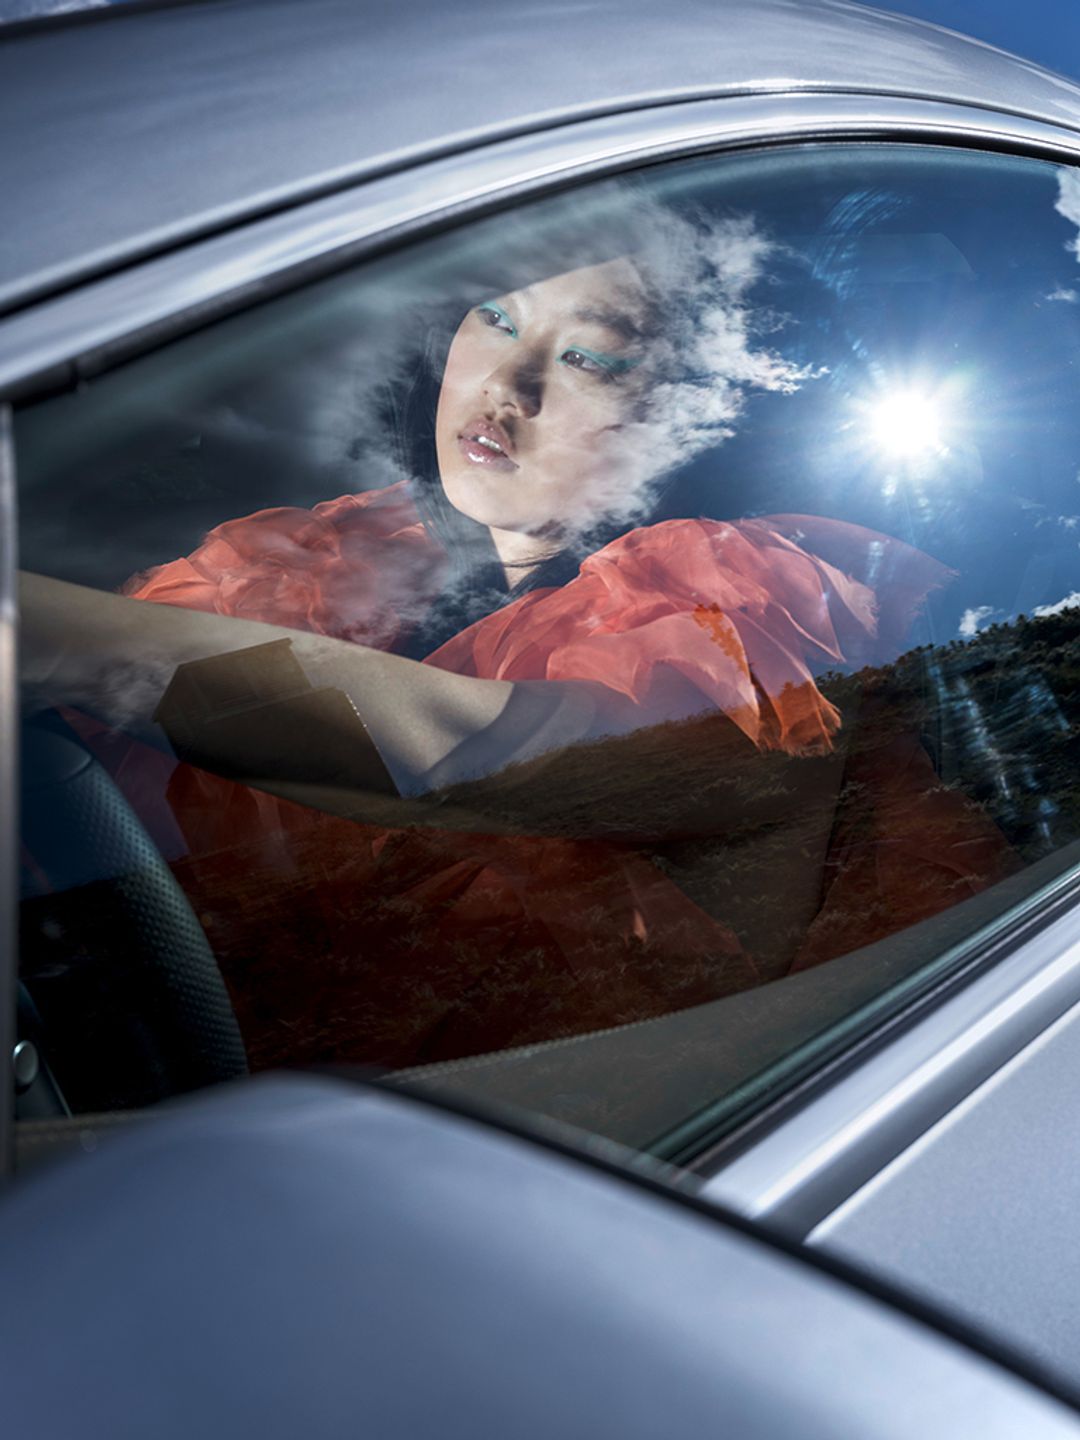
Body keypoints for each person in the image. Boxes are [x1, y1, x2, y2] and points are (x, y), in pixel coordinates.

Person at [20, 212, 1015, 1072]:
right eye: (495, 316)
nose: (510, 383)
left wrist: (49, 633)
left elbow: (493, 755)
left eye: (587, 355)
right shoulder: (324, 556)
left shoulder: (742, 605)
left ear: (692, 409)